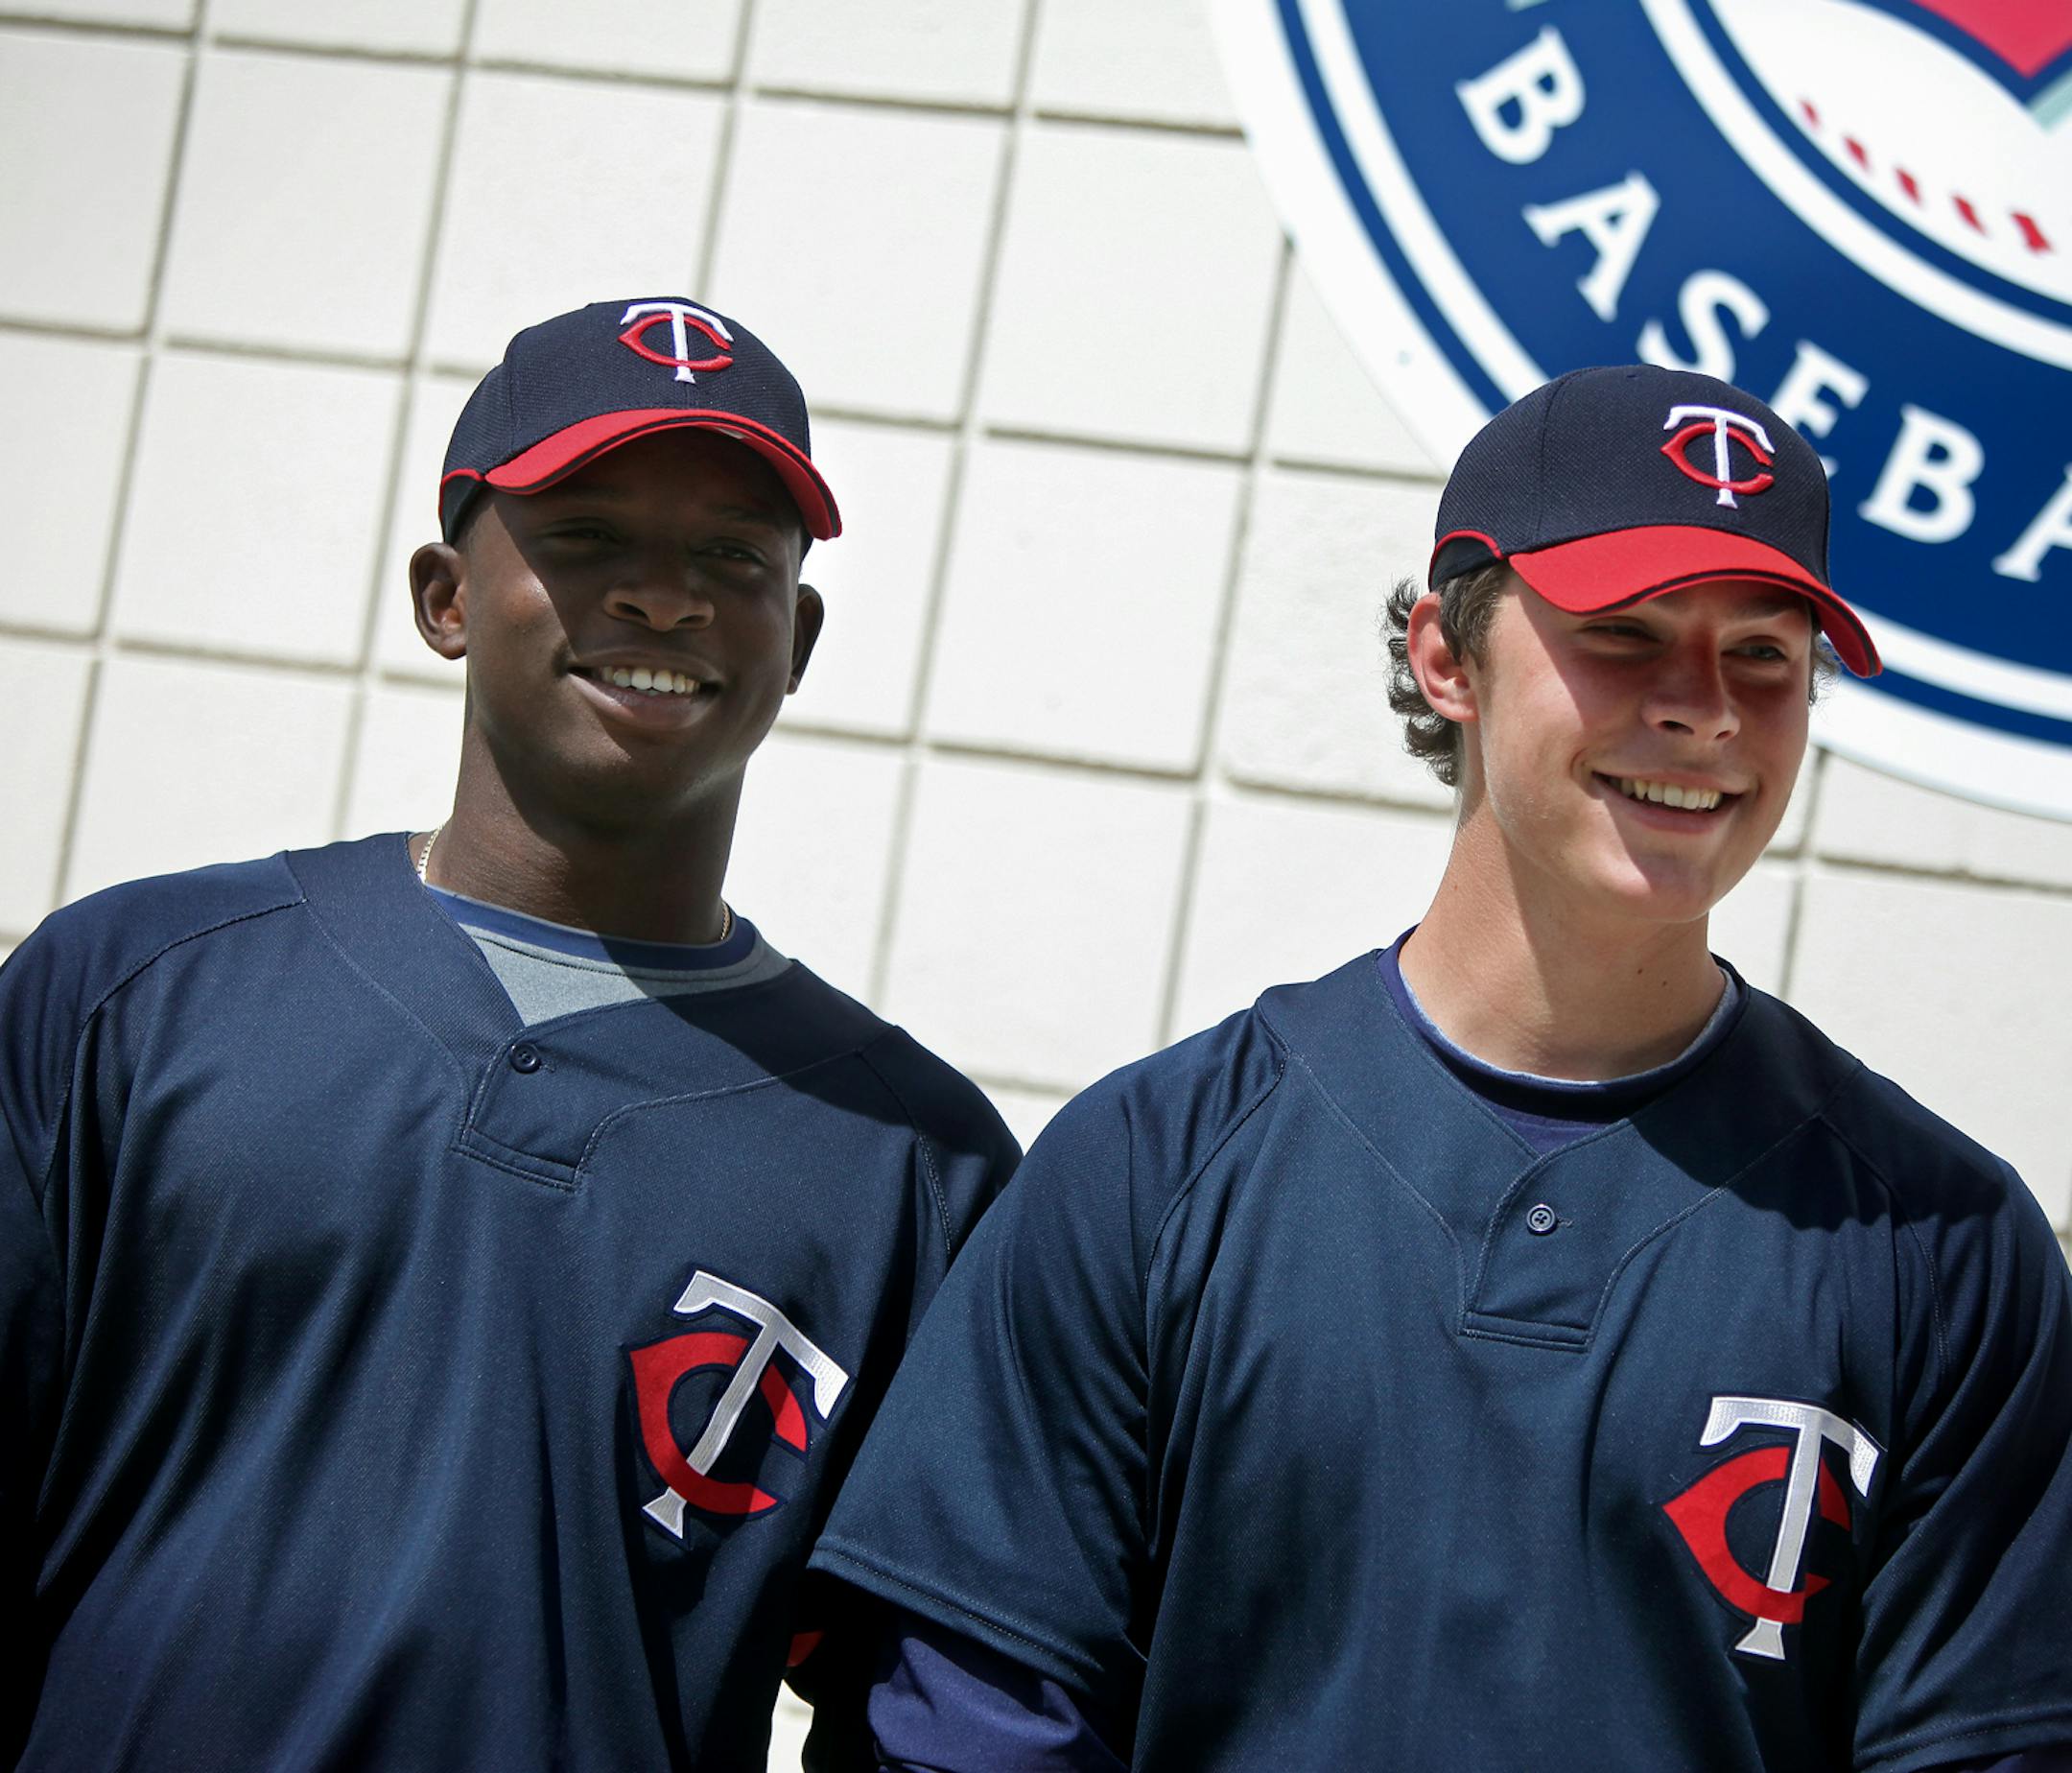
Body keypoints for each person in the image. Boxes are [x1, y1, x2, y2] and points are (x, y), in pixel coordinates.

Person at [809, 365, 2072, 1770]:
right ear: (1446, 656)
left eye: (1765, 653)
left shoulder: (1945, 1248)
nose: (1705, 708)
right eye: (1626, 631)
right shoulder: (1151, 1170)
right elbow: (968, 1731)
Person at [0, 296, 1018, 1770]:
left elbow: (933, 1714)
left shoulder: (918, 1168)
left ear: (795, 638)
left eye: (732, 558)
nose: (662, 601)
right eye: (589, 537)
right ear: (445, 596)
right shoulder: (138, 986)